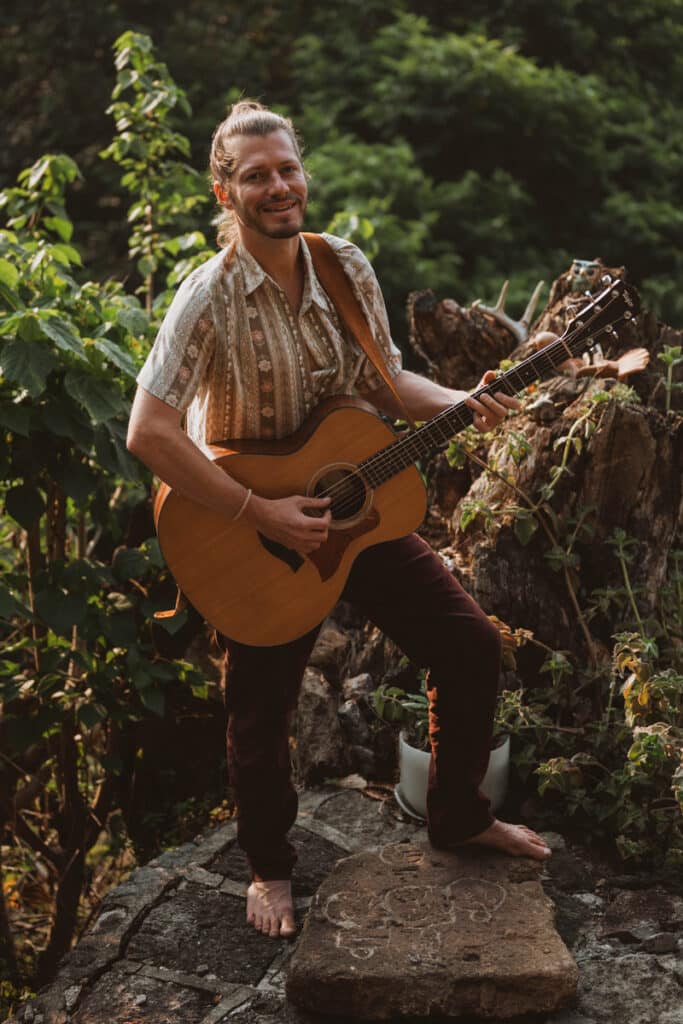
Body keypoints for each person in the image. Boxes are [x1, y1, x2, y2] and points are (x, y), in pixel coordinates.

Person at [127, 100, 551, 941]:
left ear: (302, 172)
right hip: (254, 530)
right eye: (255, 176)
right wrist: (262, 511)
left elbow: (388, 381)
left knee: (469, 645)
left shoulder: (341, 263)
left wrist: (465, 401)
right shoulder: (206, 297)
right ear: (225, 190)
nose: (277, 186)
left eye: (286, 168)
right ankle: (270, 870)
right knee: (261, 716)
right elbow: (149, 431)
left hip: (355, 505)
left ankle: (458, 815)